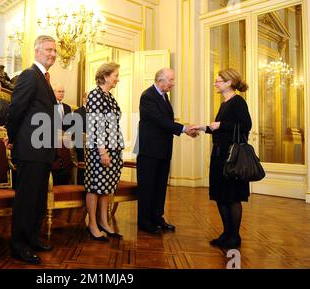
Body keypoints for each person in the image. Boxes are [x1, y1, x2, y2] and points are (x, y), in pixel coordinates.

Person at [4, 35, 57, 264]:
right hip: (30, 149)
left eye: (54, 50)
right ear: (36, 52)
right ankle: (19, 245)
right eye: (48, 50)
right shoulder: (29, 75)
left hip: (43, 149)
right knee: (27, 199)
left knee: (38, 199)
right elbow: (16, 110)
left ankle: (33, 238)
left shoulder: (44, 78)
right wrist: (12, 138)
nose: (53, 54)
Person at [193, 68, 252, 249]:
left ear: (228, 83)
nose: (215, 83)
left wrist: (222, 124)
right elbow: (219, 127)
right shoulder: (225, 103)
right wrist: (203, 127)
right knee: (221, 195)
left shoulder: (237, 102)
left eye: (218, 81)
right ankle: (226, 233)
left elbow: (246, 125)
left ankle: (234, 236)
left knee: (232, 196)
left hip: (231, 157)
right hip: (220, 155)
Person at [136, 68, 198, 234]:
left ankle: (157, 217)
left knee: (160, 186)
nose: (173, 83)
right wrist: (184, 129)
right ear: (160, 80)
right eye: (170, 80)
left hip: (163, 150)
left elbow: (166, 121)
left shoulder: (164, 96)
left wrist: (184, 129)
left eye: (173, 80)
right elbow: (159, 121)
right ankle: (144, 221)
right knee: (148, 187)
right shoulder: (147, 96)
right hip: (149, 151)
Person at [84, 62, 124, 242]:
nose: (118, 78)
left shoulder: (110, 97)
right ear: (106, 76)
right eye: (115, 75)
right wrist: (102, 151)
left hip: (113, 147)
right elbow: (95, 126)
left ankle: (104, 222)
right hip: (100, 149)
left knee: (107, 187)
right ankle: (92, 224)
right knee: (95, 186)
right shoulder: (95, 95)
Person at [74, 92, 88, 185]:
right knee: (82, 169)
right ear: (84, 99)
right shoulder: (77, 112)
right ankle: (80, 188)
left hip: (94, 147)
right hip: (81, 146)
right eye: (88, 97)